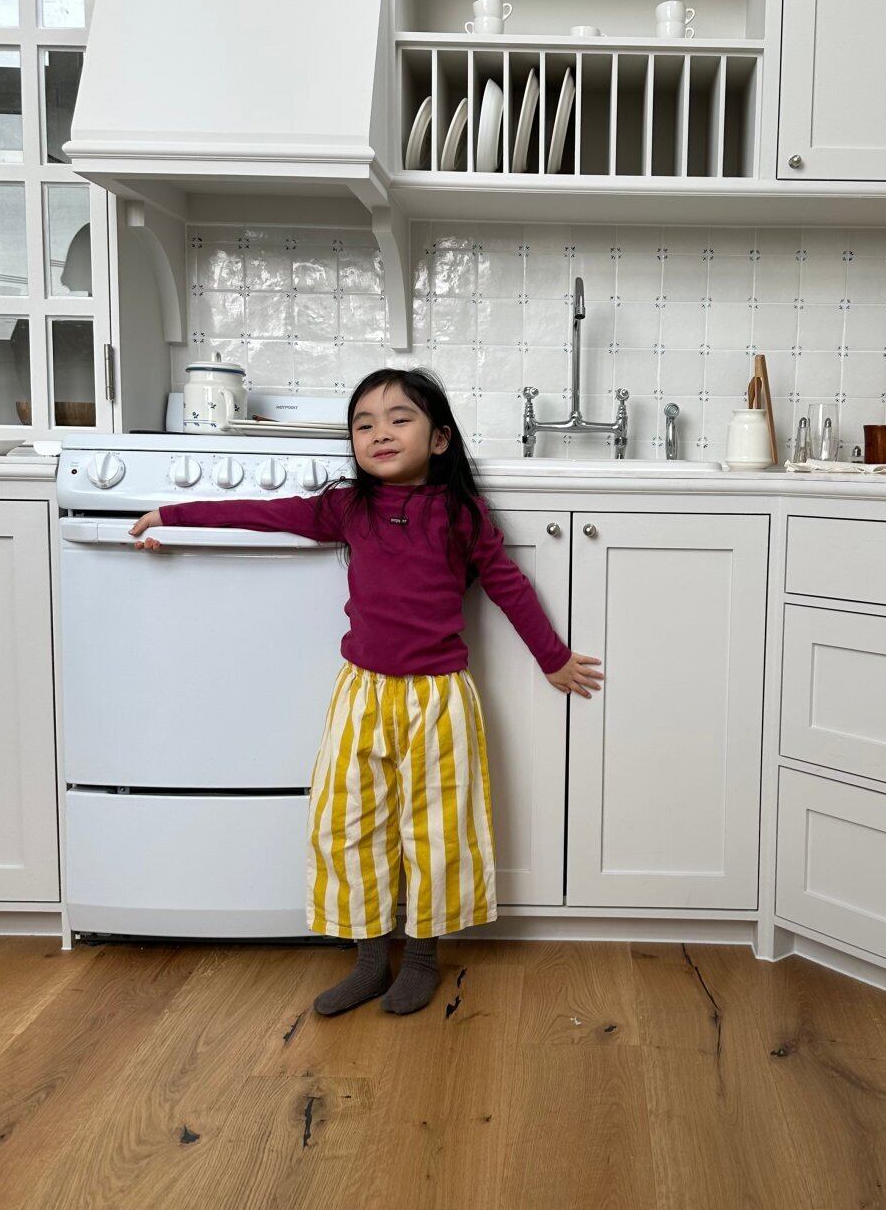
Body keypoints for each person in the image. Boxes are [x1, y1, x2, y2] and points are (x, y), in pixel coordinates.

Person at [128, 367, 604, 1016]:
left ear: (439, 439)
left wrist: (553, 658)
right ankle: (371, 960)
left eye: (399, 419)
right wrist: (173, 515)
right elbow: (262, 513)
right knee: (347, 825)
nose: (380, 433)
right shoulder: (347, 507)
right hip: (362, 696)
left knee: (437, 832)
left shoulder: (460, 513)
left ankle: (424, 958)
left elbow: (507, 584)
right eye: (364, 424)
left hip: (438, 700)